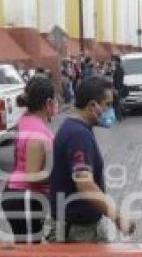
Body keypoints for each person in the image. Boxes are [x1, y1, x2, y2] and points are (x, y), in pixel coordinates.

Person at [46, 76, 135, 243]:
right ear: (93, 105)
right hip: (76, 232)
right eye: (107, 105)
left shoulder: (75, 128)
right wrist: (117, 217)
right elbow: (85, 183)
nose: (110, 110)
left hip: (79, 227)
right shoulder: (78, 135)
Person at [1, 77, 57, 243]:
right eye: (55, 100)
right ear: (48, 102)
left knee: (27, 253)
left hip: (19, 196)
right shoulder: (37, 134)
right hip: (25, 198)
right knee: (29, 255)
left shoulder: (26, 119)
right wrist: (59, 171)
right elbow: (32, 176)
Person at [111, 55, 126, 123]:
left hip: (117, 88)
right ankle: (119, 116)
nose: (113, 62)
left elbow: (116, 81)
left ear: (117, 62)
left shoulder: (118, 70)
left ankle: (119, 117)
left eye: (114, 61)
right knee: (117, 102)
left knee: (117, 103)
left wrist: (115, 89)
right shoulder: (120, 69)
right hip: (120, 87)